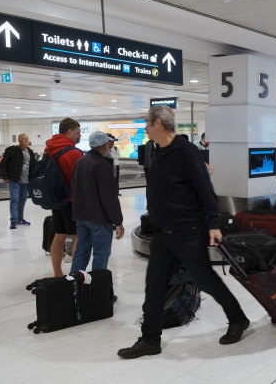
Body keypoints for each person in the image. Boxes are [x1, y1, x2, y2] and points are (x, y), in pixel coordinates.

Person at [118, 106, 249, 359]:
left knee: (206, 281)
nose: (144, 126)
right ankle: (150, 340)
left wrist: (213, 224)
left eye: (147, 122)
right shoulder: (158, 151)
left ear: (158, 123)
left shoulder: (185, 151)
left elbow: (205, 189)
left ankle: (238, 319)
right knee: (154, 286)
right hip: (163, 234)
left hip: (188, 232)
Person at [70, 131, 125, 273]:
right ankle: (96, 290)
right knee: (101, 254)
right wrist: (118, 221)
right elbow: (109, 197)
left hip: (81, 216)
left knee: (81, 252)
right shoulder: (103, 166)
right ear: (105, 145)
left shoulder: (80, 162)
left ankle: (74, 286)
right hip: (99, 218)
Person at [45, 118, 84, 276]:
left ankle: (57, 273)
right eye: (77, 132)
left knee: (59, 235)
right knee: (78, 237)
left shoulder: (49, 149)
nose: (78, 135)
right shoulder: (74, 153)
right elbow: (82, 180)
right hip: (72, 200)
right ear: (68, 132)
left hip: (56, 199)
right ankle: (76, 274)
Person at [0, 133, 37, 229]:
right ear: (19, 141)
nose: (26, 141)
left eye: (27, 139)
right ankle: (13, 221)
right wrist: (5, 176)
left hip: (25, 181)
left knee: (22, 200)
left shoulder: (30, 152)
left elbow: (33, 166)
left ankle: (20, 218)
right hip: (15, 180)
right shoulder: (12, 150)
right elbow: (3, 164)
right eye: (23, 139)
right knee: (14, 200)